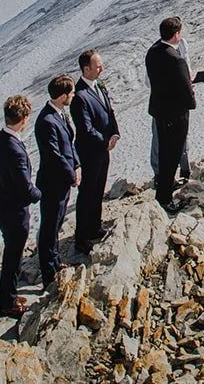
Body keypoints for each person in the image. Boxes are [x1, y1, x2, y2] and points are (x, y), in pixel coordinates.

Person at [0, 94, 42, 318]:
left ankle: (5, 293)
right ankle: (8, 302)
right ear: (24, 118)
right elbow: (25, 188)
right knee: (14, 257)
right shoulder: (15, 149)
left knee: (10, 252)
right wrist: (40, 193)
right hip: (14, 212)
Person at [33, 75, 80, 289]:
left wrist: (76, 165)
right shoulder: (46, 121)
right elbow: (54, 154)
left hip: (62, 179)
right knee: (49, 226)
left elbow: (69, 144)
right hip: (52, 182)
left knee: (57, 222)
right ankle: (48, 271)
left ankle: (55, 261)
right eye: (70, 94)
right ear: (62, 96)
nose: (72, 96)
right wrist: (71, 174)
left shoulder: (59, 114)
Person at [71, 49, 119, 254]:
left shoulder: (99, 86)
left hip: (104, 148)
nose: (102, 68)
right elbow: (85, 128)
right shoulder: (79, 95)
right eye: (98, 66)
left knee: (99, 188)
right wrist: (104, 142)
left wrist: (115, 132)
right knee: (87, 193)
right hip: (90, 151)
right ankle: (82, 237)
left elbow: (109, 110)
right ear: (86, 69)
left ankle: (95, 226)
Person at [146, 16, 196, 214]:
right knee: (173, 153)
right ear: (176, 35)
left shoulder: (152, 52)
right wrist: (192, 100)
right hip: (175, 114)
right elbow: (185, 89)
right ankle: (165, 197)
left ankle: (163, 188)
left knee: (164, 151)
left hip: (159, 111)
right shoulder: (176, 59)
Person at [149, 34, 192, 185]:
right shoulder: (155, 52)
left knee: (182, 137)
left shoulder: (182, 44)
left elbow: (186, 64)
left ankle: (184, 169)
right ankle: (161, 176)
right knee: (161, 141)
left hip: (179, 103)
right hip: (166, 105)